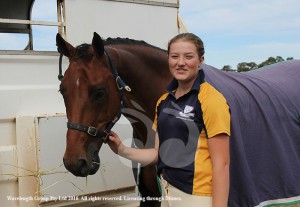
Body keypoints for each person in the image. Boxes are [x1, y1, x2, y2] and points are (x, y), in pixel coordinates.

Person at [107, 33, 230, 207]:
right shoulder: (164, 102)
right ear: (168, 60)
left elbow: (221, 164)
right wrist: (121, 149)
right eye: (175, 56)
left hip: (197, 197)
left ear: (200, 60)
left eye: (189, 57)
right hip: (168, 193)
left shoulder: (211, 100)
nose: (181, 63)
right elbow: (159, 154)